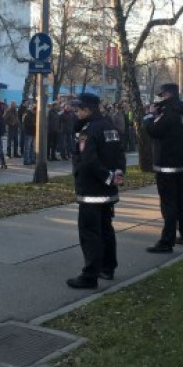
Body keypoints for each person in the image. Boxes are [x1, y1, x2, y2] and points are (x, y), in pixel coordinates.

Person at [65, 93, 126, 289]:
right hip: (108, 191)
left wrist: (107, 177)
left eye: (79, 110)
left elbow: (88, 160)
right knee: (106, 229)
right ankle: (107, 268)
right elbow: (119, 155)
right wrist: (116, 175)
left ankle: (90, 275)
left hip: (92, 189)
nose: (77, 113)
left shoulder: (89, 130)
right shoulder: (110, 127)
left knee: (90, 233)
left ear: (88, 110)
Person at [144, 83, 183, 252]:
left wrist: (149, 117)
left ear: (168, 94)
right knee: (182, 201)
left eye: (162, 95)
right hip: (181, 161)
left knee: (168, 204)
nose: (161, 98)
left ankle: (167, 241)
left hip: (166, 162)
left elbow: (155, 130)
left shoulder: (169, 111)